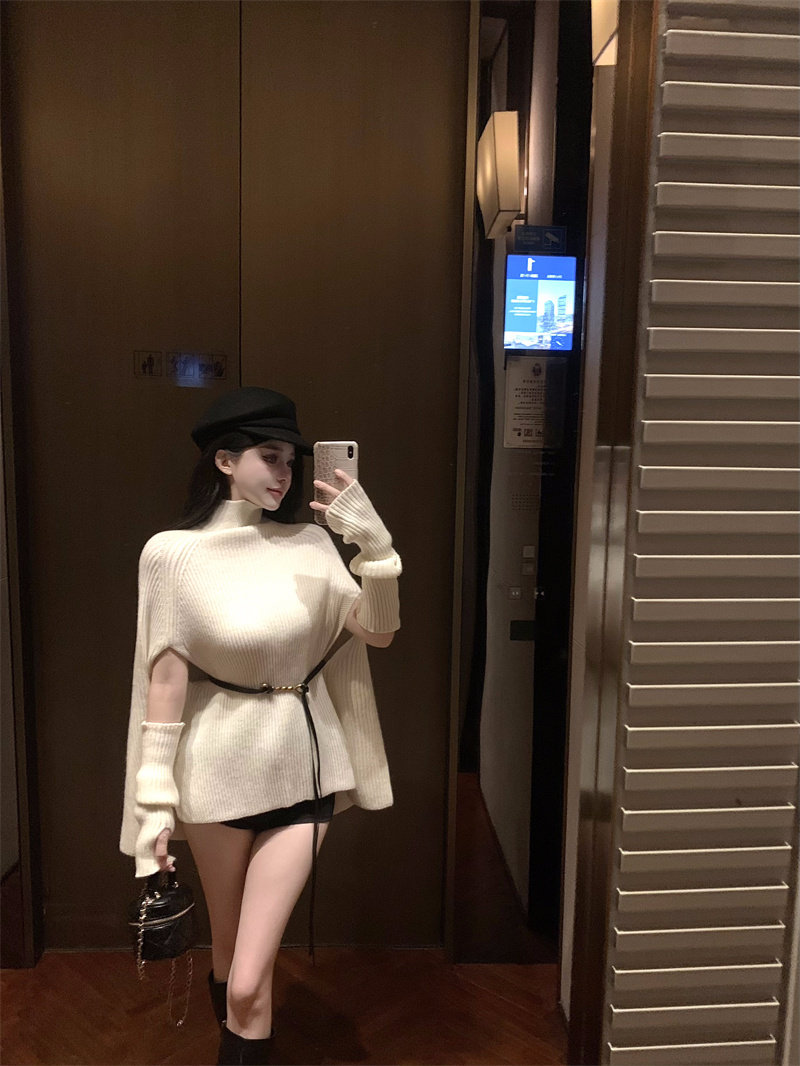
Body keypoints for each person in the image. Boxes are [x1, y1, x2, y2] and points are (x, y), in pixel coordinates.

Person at [118, 386, 401, 1065]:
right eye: (268, 456)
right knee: (228, 954)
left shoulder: (311, 543)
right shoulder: (171, 555)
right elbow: (164, 681)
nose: (283, 473)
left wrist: (377, 549)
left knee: (248, 978)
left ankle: (242, 1023)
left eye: (289, 461)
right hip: (215, 777)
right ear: (224, 460)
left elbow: (379, 631)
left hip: (305, 770)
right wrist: (153, 804)